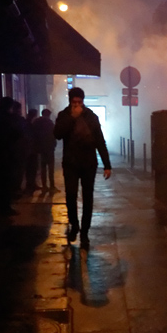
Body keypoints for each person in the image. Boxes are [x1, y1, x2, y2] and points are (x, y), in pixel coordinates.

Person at [54, 87, 111, 249]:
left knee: (88, 198)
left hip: (88, 163)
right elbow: (57, 134)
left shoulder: (91, 117)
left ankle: (84, 233)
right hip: (71, 163)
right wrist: (72, 118)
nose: (77, 105)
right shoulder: (64, 115)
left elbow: (100, 140)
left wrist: (107, 164)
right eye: (74, 102)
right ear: (70, 102)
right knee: (71, 195)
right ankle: (74, 225)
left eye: (79, 102)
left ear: (83, 101)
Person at [0, 96, 21, 215]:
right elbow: (16, 133)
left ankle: (2, 205)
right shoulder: (8, 119)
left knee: (1, 182)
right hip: (6, 154)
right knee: (6, 182)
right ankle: (5, 207)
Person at [34, 109, 58, 193]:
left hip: (41, 148)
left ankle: (44, 186)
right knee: (51, 168)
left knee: (43, 168)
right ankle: (52, 186)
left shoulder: (36, 122)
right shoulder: (50, 123)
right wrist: (54, 144)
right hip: (49, 148)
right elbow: (53, 134)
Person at [23, 108, 39, 194]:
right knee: (31, 168)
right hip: (30, 149)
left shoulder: (28, 122)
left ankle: (32, 184)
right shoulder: (29, 123)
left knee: (32, 168)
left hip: (30, 149)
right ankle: (30, 185)